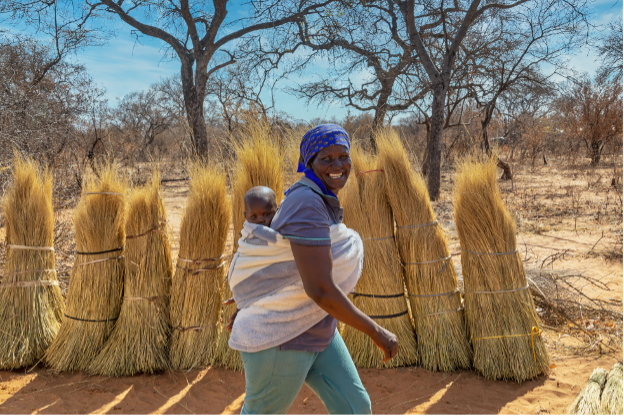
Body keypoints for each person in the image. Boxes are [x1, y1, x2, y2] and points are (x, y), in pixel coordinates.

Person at [225, 124, 399, 415]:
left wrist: (254, 294)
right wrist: (376, 331)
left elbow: (284, 267)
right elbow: (319, 288)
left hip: (317, 327)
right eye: (326, 158)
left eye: (343, 156)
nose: (337, 165)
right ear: (309, 163)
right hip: (281, 334)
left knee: (354, 407)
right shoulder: (307, 202)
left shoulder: (317, 196)